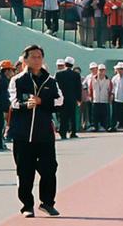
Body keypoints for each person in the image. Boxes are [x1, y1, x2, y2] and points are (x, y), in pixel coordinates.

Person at [9, 45, 62, 217]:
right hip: (23, 135)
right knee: (25, 171)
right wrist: (26, 105)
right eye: (33, 57)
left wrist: (41, 101)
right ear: (25, 60)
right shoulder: (17, 80)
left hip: (45, 135)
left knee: (49, 169)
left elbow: (60, 101)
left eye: (39, 57)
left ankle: (47, 203)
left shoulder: (51, 81)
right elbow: (13, 102)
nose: (37, 60)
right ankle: (27, 206)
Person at [55, 56, 81, 139]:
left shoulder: (58, 74)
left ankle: (63, 132)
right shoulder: (76, 75)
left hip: (62, 98)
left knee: (63, 116)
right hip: (72, 98)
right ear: (72, 65)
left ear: (65, 64)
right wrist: (79, 99)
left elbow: (56, 87)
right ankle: (73, 132)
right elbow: (78, 88)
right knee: (72, 116)